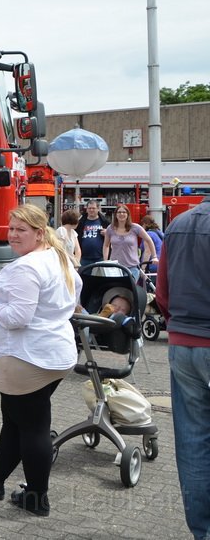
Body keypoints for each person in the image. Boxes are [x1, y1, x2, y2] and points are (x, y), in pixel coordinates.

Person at [0, 204, 80, 517]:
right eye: (11, 228)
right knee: (17, 422)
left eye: (21, 230)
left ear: (39, 233)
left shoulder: (28, 267)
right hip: (54, 354)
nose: (13, 235)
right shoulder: (58, 256)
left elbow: (19, 317)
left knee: (32, 427)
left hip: (28, 356)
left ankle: (37, 498)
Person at [155, 198, 210, 540]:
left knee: (192, 441)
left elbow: (162, 292)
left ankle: (201, 531)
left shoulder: (179, 224)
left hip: (184, 343)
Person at [103, 204, 157, 283]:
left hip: (132, 266)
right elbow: (106, 245)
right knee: (117, 290)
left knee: (128, 290)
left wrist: (154, 256)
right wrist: (105, 260)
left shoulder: (135, 227)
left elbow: (149, 240)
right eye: (119, 212)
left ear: (128, 214)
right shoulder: (110, 228)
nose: (121, 214)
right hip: (115, 267)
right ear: (115, 215)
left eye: (124, 212)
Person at [76, 201, 108, 268]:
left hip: (100, 258)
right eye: (89, 208)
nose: (91, 210)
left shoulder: (104, 222)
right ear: (86, 209)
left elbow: (113, 238)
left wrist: (107, 234)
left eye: (93, 208)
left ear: (98, 209)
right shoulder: (80, 223)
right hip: (83, 258)